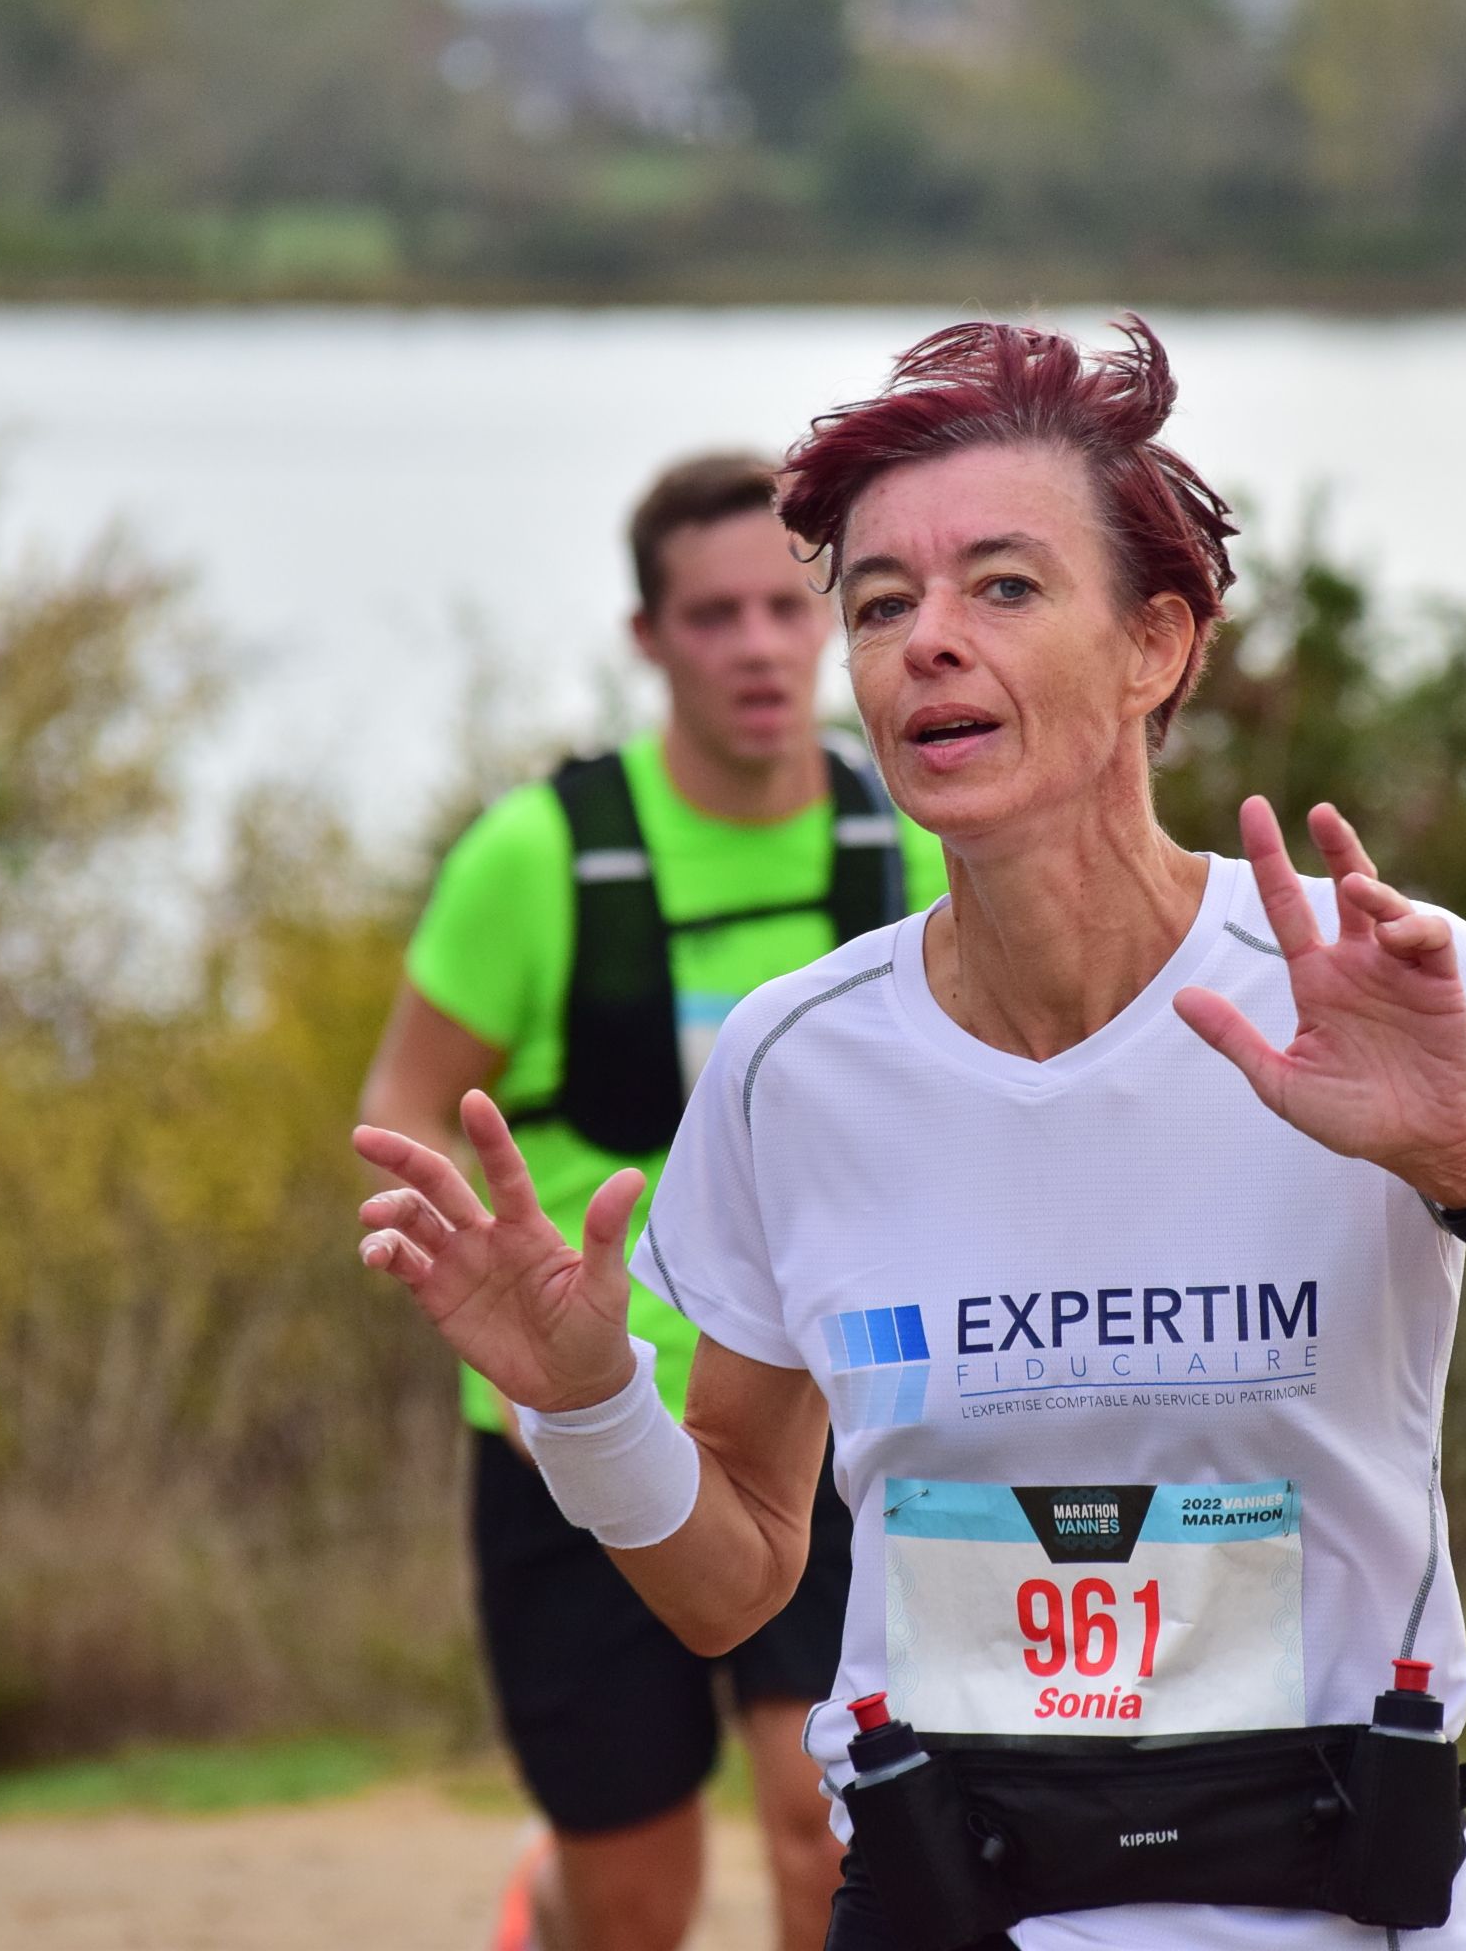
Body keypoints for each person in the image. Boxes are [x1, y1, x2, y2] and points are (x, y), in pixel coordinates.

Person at [352, 321, 1466, 1950]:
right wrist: (587, 1406)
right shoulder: (794, 1067)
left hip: (1346, 1911)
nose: (929, 642)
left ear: (1155, 644)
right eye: (881, 605)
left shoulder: (1373, 982)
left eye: (1003, 587)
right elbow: (737, 1582)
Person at [358, 451, 946, 1951]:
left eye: (786, 610)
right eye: (711, 616)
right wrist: (495, 1306)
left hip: (827, 1410)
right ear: (647, 638)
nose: (757, 647)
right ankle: (545, 1902)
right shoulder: (536, 855)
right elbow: (403, 1105)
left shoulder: (908, 834)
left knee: (831, 1834)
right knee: (636, 1904)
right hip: (574, 1417)